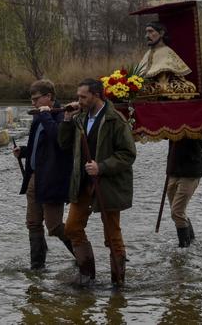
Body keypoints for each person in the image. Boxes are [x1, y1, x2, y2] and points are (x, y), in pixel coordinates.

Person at [58, 78, 136, 287]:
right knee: (72, 227)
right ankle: (87, 275)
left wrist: (101, 167)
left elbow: (128, 154)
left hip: (107, 185)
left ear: (97, 95)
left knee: (112, 235)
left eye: (83, 97)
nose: (79, 100)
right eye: (78, 97)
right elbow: (64, 144)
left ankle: (118, 282)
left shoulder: (115, 120)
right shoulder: (79, 118)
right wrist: (66, 119)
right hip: (82, 183)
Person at [12, 80, 74, 270]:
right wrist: (23, 151)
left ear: (49, 96)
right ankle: (37, 266)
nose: (33, 103)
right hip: (34, 177)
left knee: (54, 226)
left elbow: (59, 139)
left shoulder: (62, 115)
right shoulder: (40, 116)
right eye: (32, 100)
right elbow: (40, 146)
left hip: (52, 178)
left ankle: (82, 255)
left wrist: (46, 115)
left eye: (36, 99)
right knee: (32, 222)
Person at [137, 20, 197, 98]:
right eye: (147, 32)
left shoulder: (167, 52)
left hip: (165, 89)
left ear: (161, 33)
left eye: (151, 32)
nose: (147, 36)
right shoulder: (148, 53)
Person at [166, 138, 202, 247]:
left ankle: (184, 247)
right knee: (178, 211)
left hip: (190, 172)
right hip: (173, 170)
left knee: (176, 212)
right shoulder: (172, 122)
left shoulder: (195, 123)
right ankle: (190, 241)